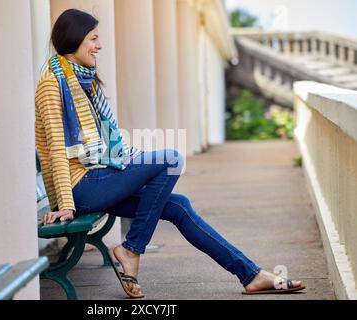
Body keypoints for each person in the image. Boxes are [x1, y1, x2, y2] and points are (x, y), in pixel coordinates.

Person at [35, 8, 305, 298]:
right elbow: (57, 148)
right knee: (171, 159)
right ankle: (131, 250)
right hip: (82, 189)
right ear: (74, 39)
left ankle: (250, 274)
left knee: (179, 206)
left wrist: (128, 161)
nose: (99, 46)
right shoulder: (52, 84)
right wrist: (64, 204)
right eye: (93, 39)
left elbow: (105, 142)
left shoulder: (82, 81)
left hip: (99, 178)